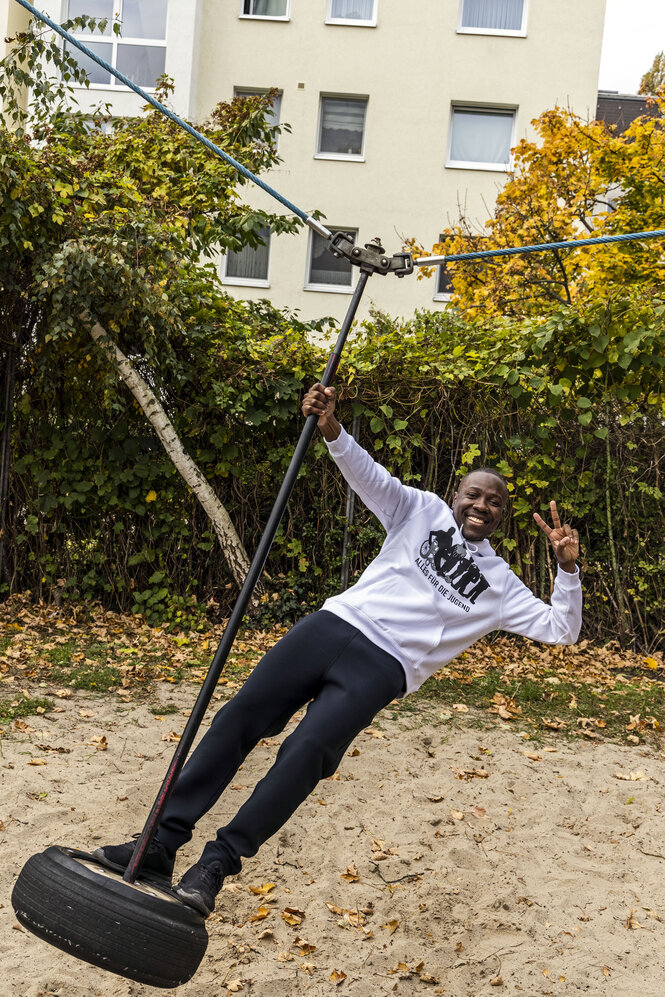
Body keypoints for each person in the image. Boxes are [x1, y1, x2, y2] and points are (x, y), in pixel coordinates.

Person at [94, 383, 581, 917]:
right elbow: (367, 474)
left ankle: (216, 864)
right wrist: (330, 426)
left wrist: (567, 568)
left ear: (504, 514)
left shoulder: (501, 586)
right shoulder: (418, 510)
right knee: (239, 718)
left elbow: (562, 628)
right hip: (330, 626)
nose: (481, 505)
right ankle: (160, 845)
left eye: (494, 501)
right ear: (456, 493)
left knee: (305, 756)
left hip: (383, 667)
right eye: (473, 494)